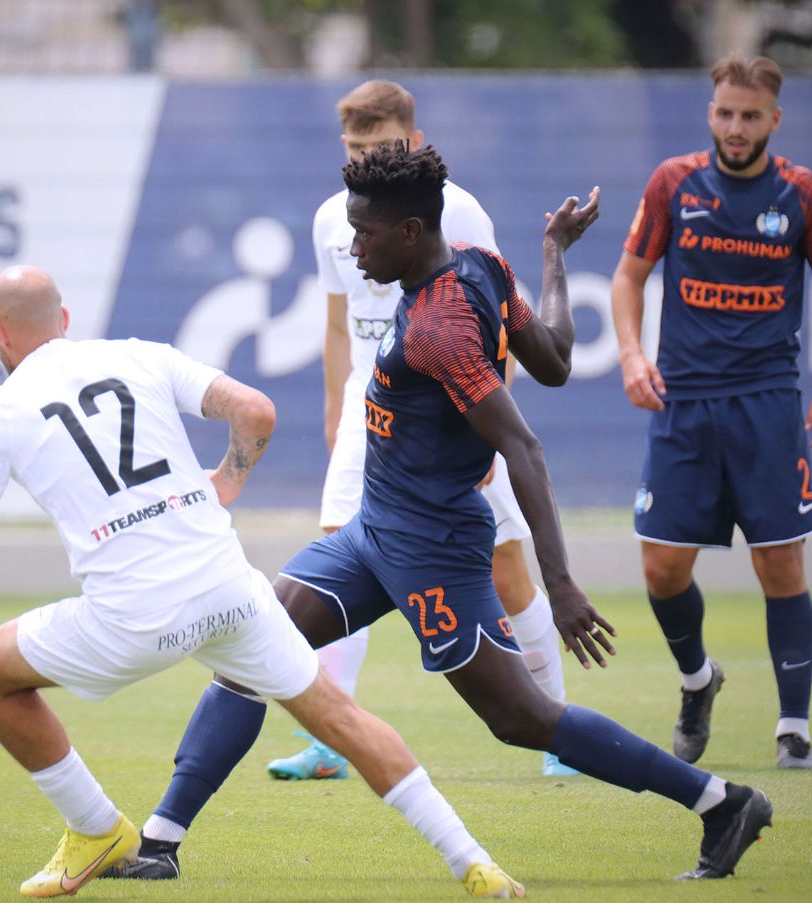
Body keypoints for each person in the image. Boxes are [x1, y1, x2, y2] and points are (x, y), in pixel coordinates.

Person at [108, 144, 773, 887]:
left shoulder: (439, 328)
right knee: (250, 648)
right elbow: (555, 357)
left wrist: (559, 582)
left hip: (433, 549)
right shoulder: (483, 267)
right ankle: (159, 843)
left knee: (521, 718)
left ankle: (721, 803)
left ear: (410, 232)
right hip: (372, 533)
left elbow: (523, 446)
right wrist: (554, 253)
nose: (352, 246)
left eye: (363, 233)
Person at [0, 265, 526, 898]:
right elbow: (256, 410)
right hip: (230, 589)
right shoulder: (139, 355)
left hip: (133, 619)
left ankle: (95, 828)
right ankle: (473, 860)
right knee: (343, 719)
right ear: (63, 320)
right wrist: (228, 480)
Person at [267, 79, 575, 782]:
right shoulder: (333, 218)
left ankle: (556, 724)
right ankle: (330, 735)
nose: (363, 158)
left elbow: (496, 311)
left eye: (378, 145)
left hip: (452, 411)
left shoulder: (457, 209)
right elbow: (338, 322)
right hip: (371, 409)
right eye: (354, 147)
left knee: (505, 570)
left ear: (413, 140)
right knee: (335, 553)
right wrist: (336, 411)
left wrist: (491, 423)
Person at [610, 55, 812, 770]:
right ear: (710, 113)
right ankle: (698, 679)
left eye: (750, 116)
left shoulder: (802, 193)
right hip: (684, 403)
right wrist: (631, 355)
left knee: (780, 562)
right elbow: (628, 277)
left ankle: (793, 729)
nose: (736, 127)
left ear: (774, 119)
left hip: (767, 404)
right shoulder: (674, 183)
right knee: (661, 568)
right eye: (725, 113)